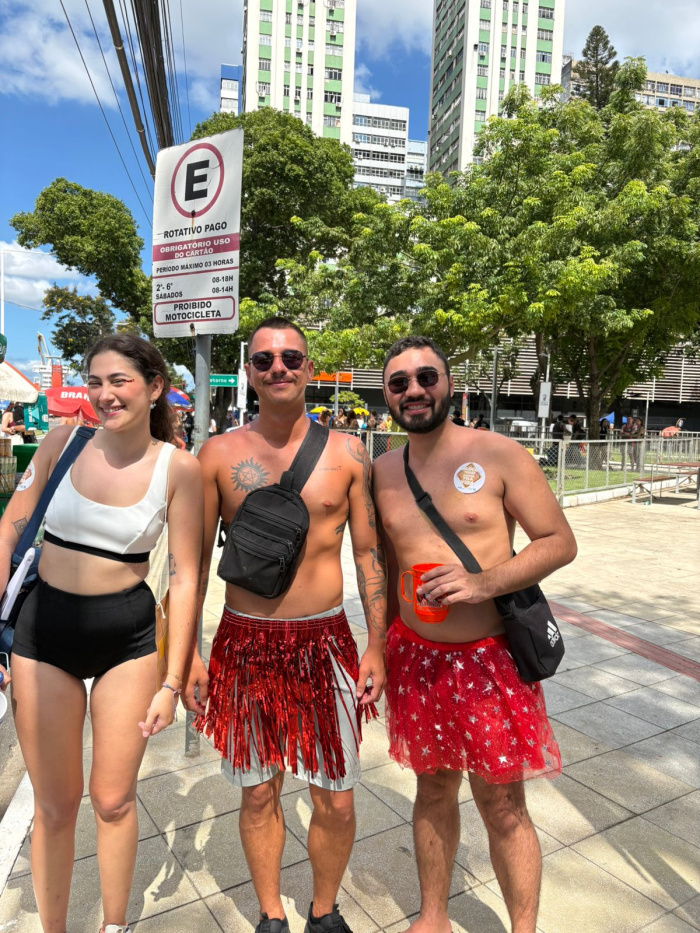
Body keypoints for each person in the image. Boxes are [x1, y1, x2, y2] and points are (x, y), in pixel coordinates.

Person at [185, 317, 387, 933]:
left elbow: (367, 553)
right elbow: (190, 563)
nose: (279, 369)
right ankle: (272, 915)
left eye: (291, 359)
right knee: (257, 792)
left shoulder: (350, 451)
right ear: (248, 370)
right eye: (265, 360)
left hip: (325, 642)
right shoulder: (217, 454)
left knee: (338, 796)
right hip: (244, 643)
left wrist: (376, 643)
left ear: (308, 368)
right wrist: (188, 655)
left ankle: (324, 912)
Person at [372, 336, 577, 933]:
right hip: (417, 658)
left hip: (490, 663)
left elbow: (559, 542)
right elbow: (384, 568)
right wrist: (380, 647)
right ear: (387, 396)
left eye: (426, 377)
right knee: (432, 792)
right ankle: (431, 917)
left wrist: (483, 583)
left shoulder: (499, 453)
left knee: (503, 804)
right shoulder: (382, 471)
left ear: (449, 383)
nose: (414, 390)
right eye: (399, 382)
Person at [0, 334, 203, 933]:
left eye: (120, 381)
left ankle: (115, 925)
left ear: (154, 387)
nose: (105, 394)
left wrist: (172, 680)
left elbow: (188, 577)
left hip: (129, 639)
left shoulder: (178, 468)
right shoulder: (64, 441)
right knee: (56, 806)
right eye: (96, 381)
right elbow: (11, 524)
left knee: (113, 800)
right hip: (45, 634)